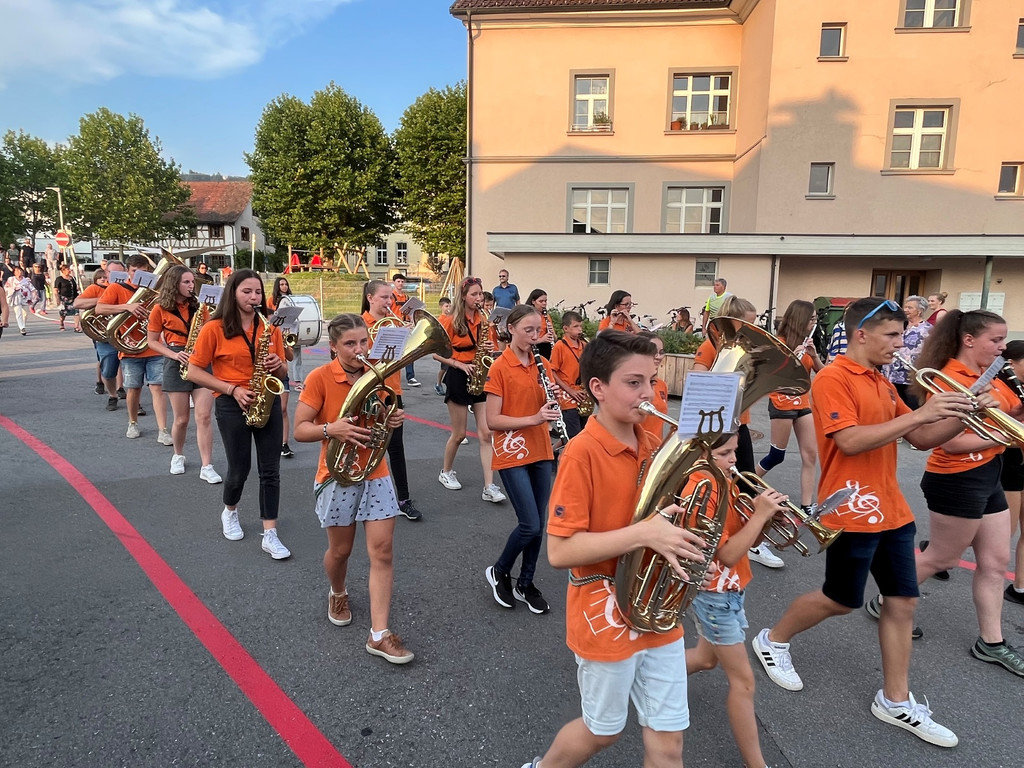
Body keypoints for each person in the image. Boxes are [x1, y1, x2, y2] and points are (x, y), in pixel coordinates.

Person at [751, 297, 974, 748]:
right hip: (850, 508)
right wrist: (923, 412)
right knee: (841, 599)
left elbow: (920, 437)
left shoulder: (880, 379)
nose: (902, 342)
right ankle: (772, 639)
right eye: (892, 335)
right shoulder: (833, 377)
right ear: (862, 335)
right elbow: (850, 442)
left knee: (903, 601)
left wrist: (959, 414)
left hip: (892, 508)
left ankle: (895, 700)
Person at [524, 330, 706, 768]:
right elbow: (560, 552)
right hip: (602, 611)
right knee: (601, 731)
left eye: (652, 380)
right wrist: (645, 534)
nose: (649, 393)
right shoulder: (581, 454)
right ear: (598, 389)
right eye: (633, 382)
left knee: (669, 742)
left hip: (656, 609)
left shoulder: (652, 442)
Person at [866, 309, 1024, 678]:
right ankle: (885, 599)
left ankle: (992, 641)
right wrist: (1005, 435)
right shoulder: (949, 378)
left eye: (1003, 341)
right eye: (995, 341)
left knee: (996, 560)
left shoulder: (997, 377)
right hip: (957, 477)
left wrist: (1014, 412)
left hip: (989, 472)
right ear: (969, 340)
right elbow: (950, 443)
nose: (1003, 348)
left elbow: (1013, 411)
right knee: (942, 558)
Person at [293, 313, 414, 664]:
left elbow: (383, 425)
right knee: (341, 552)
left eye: (364, 342)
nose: (359, 349)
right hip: (337, 474)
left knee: (383, 552)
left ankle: (379, 634)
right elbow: (300, 430)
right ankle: (338, 590)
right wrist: (333, 429)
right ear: (333, 346)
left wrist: (391, 421)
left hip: (375, 472)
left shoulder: (380, 374)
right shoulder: (320, 378)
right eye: (350, 344)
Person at [686, 432, 788, 768]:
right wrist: (759, 515)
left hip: (729, 588)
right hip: (714, 593)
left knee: (705, 659)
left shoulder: (723, 479)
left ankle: (639, 671)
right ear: (702, 453)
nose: (735, 460)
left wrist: (766, 519)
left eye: (735, 452)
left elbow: (743, 540)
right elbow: (726, 554)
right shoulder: (701, 486)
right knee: (743, 682)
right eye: (726, 453)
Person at [183, 269, 291, 560]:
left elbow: (284, 371)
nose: (254, 297)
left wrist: (278, 364)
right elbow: (193, 371)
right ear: (232, 293)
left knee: (271, 471)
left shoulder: (270, 327)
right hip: (232, 404)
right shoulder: (214, 328)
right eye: (247, 292)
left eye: (257, 292)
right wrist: (231, 390)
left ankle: (270, 533)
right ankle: (230, 511)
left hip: (265, 400)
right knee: (238, 470)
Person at [484, 305, 560, 614]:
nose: (534, 336)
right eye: (528, 330)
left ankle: (525, 583)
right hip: (512, 451)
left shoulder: (541, 363)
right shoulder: (500, 367)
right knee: (529, 524)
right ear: (511, 329)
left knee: (539, 524)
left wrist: (551, 398)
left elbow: (546, 407)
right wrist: (535, 417)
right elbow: (493, 420)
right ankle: (500, 570)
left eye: (537, 330)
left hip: (541, 448)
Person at [146, 264, 222, 484]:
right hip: (175, 358)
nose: (191, 286)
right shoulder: (159, 308)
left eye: (192, 282)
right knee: (181, 419)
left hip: (200, 358)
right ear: (174, 284)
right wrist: (173, 354)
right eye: (186, 282)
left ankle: (207, 465)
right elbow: (152, 341)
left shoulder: (199, 307)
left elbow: (210, 332)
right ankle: (178, 455)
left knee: (204, 416)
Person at [434, 276, 506, 503]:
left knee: (486, 433)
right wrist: (459, 364)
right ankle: (446, 471)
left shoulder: (484, 321)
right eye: (474, 294)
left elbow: (490, 348)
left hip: (479, 375)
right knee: (460, 434)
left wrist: (488, 349)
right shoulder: (449, 320)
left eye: (481, 294)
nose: (479, 298)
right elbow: (435, 353)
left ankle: (489, 486)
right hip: (457, 374)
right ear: (463, 296)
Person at [361, 280, 423, 521]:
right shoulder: (361, 324)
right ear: (370, 298)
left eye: (391, 298)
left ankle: (404, 498)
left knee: (396, 448)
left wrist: (407, 338)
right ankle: (364, 496)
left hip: (392, 391)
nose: (389, 302)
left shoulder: (395, 323)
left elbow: (404, 360)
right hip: (369, 392)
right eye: (385, 297)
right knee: (368, 445)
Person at [755, 300, 823, 510]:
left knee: (810, 454)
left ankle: (806, 504)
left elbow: (823, 373)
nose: (814, 323)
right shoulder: (779, 342)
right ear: (800, 320)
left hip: (802, 401)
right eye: (811, 319)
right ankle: (742, 483)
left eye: (815, 319)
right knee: (777, 455)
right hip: (782, 402)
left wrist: (814, 356)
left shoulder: (809, 342)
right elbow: (768, 375)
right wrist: (791, 358)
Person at [95, 254, 171, 443]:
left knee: (157, 388)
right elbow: (99, 309)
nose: (140, 275)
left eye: (144, 272)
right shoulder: (117, 287)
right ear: (128, 272)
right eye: (135, 272)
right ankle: (133, 422)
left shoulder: (155, 289)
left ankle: (163, 430)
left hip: (154, 346)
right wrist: (127, 307)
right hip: (130, 347)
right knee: (133, 389)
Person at [999, 340, 1024, 606]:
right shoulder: (1001, 389)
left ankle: (1019, 587)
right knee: (1004, 532)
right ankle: (941, 552)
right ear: (1011, 364)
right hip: (1009, 461)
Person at [75, 269, 120, 405]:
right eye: (103, 277)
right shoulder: (95, 288)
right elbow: (77, 303)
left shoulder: (125, 287)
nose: (105, 279)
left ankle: (127, 394)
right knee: (106, 365)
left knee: (129, 367)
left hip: (124, 333)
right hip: (103, 333)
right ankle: (111, 392)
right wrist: (103, 300)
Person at [881, 295, 931, 409]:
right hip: (892, 374)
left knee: (910, 407)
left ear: (920, 311)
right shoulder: (901, 325)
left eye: (910, 308)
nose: (905, 310)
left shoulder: (927, 329)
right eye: (905, 307)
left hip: (909, 376)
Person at [267, 278, 298, 457]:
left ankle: (284, 443)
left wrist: (285, 343)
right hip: (265, 375)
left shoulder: (279, 332)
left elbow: (291, 357)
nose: (273, 326)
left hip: (281, 374)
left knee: (282, 409)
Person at [549, 310, 589, 439]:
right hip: (567, 397)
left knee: (585, 434)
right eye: (576, 327)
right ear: (565, 328)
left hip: (582, 395)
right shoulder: (559, 346)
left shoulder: (584, 345)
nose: (580, 330)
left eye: (580, 326)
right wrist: (570, 390)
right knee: (574, 436)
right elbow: (552, 371)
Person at [637, 331, 670, 441]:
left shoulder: (662, 385)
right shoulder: (630, 385)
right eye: (653, 352)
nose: (658, 356)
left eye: (661, 352)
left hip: (655, 450)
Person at [391, 274, 420, 387]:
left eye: (402, 281)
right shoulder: (391, 297)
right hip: (394, 327)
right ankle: (391, 375)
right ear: (394, 282)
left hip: (405, 326)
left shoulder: (407, 298)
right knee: (393, 352)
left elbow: (410, 313)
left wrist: (411, 321)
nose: (400, 284)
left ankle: (410, 376)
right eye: (398, 281)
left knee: (409, 352)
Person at [525, 289, 556, 359]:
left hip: (546, 349)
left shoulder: (546, 316)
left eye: (545, 301)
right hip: (533, 349)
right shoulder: (527, 316)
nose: (544, 304)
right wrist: (542, 339)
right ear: (533, 301)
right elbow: (525, 341)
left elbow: (555, 338)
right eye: (541, 301)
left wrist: (552, 334)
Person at [5, 266, 35, 336]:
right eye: (17, 271)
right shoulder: (11, 279)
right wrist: (14, 288)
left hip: (26, 298)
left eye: (20, 271)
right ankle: (22, 327)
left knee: (25, 314)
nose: (19, 272)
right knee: (18, 314)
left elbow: (32, 288)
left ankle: (23, 325)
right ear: (14, 272)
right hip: (16, 298)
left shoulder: (26, 280)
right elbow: (6, 288)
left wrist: (34, 296)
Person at [54, 263, 81, 332]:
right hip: (64, 298)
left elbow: (76, 287)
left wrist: (78, 288)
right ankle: (61, 323)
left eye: (69, 269)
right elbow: (56, 290)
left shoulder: (73, 278)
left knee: (76, 312)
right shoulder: (59, 279)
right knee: (63, 313)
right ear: (63, 271)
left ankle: (76, 327)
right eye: (67, 269)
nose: (69, 270)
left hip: (74, 297)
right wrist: (57, 299)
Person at [435, 296, 453, 396]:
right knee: (444, 367)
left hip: (451, 344)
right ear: (441, 307)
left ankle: (446, 384)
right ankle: (438, 384)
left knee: (449, 367)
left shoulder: (451, 317)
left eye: (449, 306)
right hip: (444, 345)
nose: (448, 308)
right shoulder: (440, 319)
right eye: (446, 306)